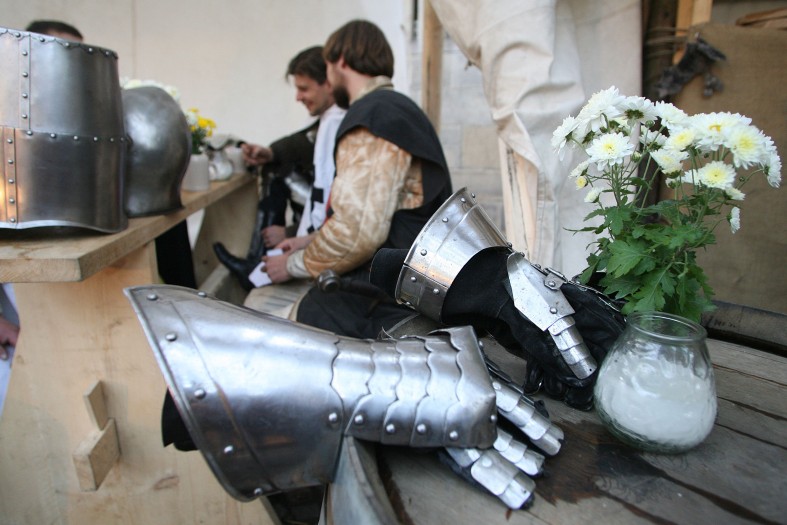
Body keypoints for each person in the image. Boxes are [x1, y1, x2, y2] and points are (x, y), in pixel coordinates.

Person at [260, 20, 453, 334]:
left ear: (341, 60)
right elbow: (378, 213)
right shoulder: (398, 109)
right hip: (405, 281)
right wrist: (308, 241)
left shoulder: (373, 117)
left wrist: (293, 264)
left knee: (268, 329)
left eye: (327, 66)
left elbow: (357, 233)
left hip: (386, 298)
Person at [213, 46, 344, 289]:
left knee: (275, 171)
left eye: (304, 88)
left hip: (329, 236)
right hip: (320, 231)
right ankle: (260, 260)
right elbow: (300, 143)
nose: (298, 97)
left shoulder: (338, 119)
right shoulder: (329, 118)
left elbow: (334, 206)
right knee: (273, 165)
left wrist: (292, 233)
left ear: (328, 83)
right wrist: (271, 152)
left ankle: (258, 263)